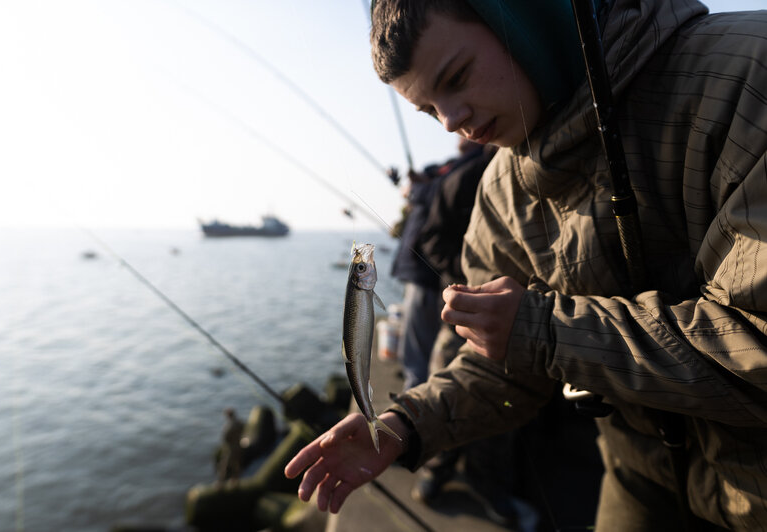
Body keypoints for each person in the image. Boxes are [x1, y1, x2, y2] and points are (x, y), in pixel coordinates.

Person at [285, 1, 767, 529]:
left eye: (456, 77)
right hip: (640, 474)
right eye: (429, 110)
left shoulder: (746, 72)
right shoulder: (500, 191)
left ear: (521, 17)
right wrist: (408, 422)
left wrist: (543, 329)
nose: (451, 122)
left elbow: (754, 346)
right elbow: (502, 367)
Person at [390, 160, 446, 391]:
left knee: (418, 352)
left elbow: (448, 192)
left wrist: (418, 190)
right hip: (421, 275)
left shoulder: (466, 168)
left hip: (426, 277)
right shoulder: (444, 170)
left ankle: (412, 409)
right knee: (422, 345)